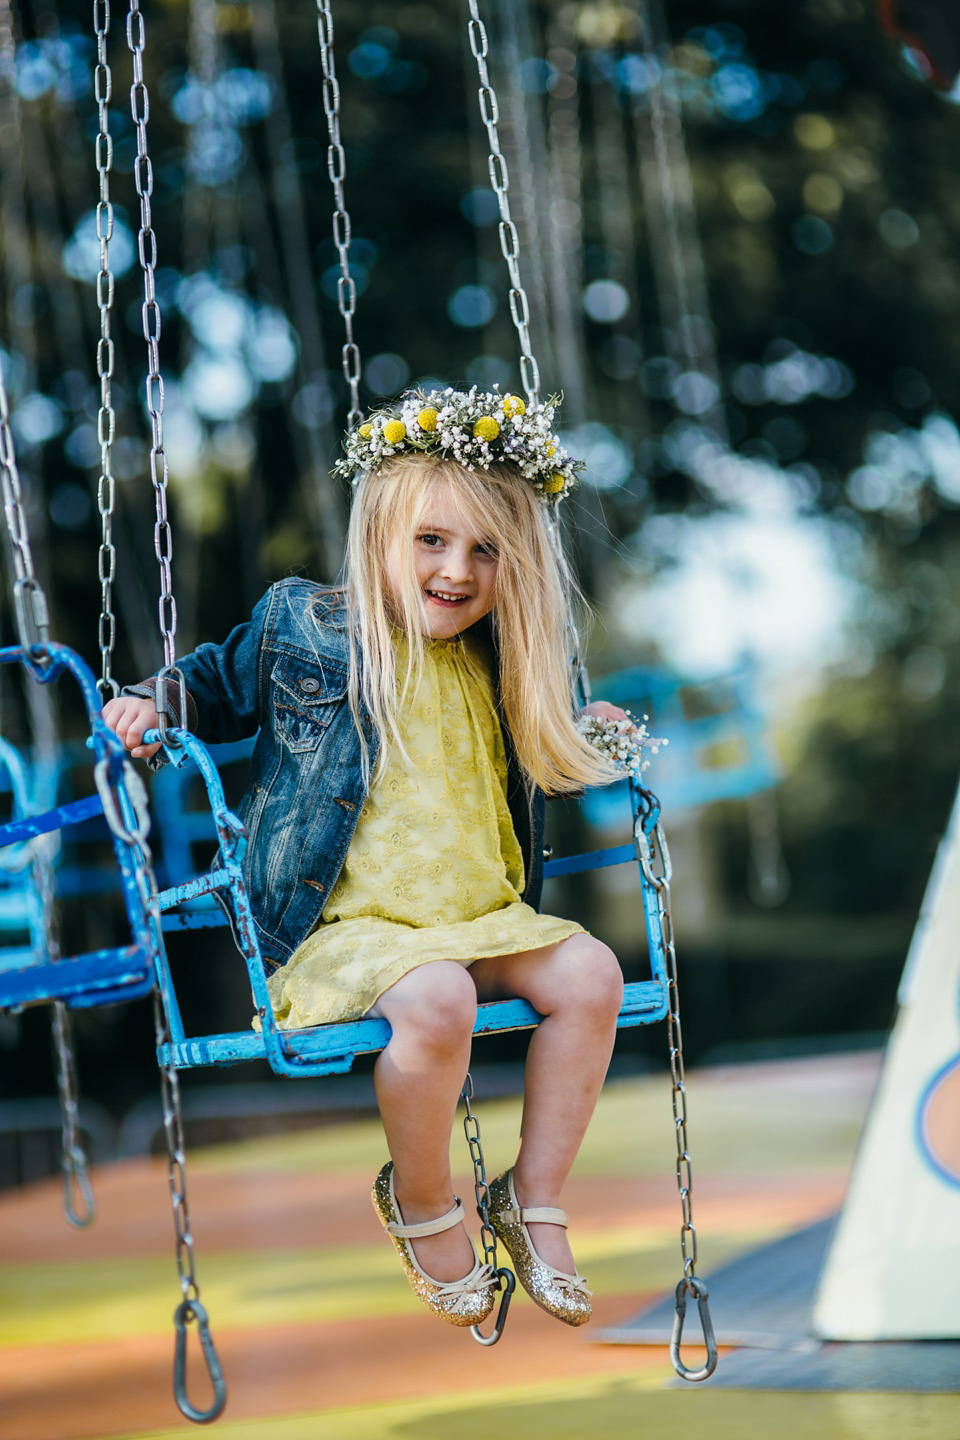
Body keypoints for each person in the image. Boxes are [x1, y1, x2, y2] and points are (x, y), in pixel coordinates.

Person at [104, 387, 635, 1331]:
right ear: (384, 527)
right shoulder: (303, 623)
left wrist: (590, 731)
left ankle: (534, 1197)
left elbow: (544, 754)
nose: (457, 571)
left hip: (479, 916)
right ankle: (426, 1203)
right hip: (347, 925)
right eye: (432, 540)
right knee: (438, 1001)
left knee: (592, 973)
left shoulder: (500, 654)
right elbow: (214, 684)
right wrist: (154, 700)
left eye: (485, 552)